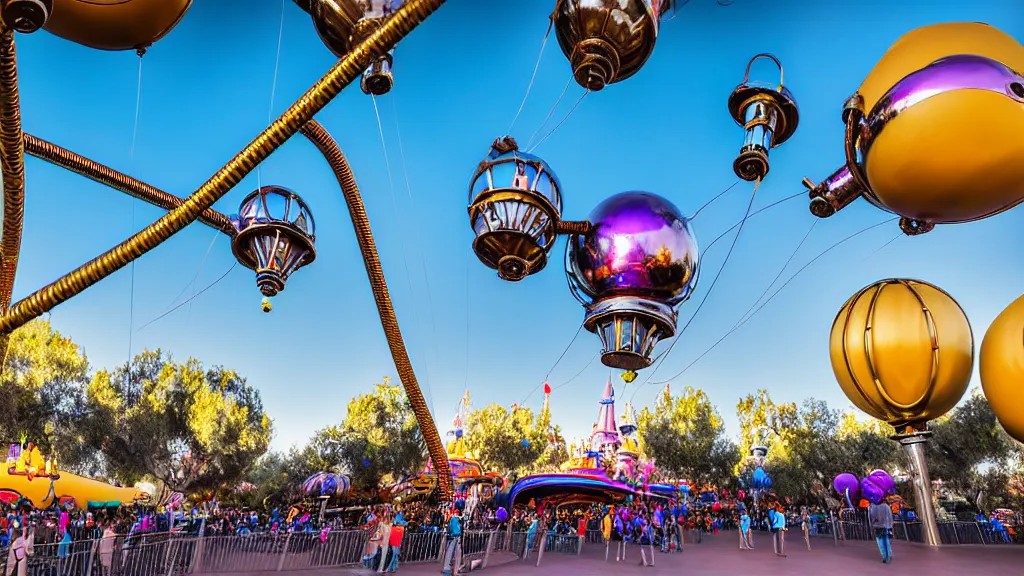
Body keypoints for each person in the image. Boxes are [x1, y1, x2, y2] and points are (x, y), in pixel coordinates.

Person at [442, 505, 462, 575]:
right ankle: (448, 568)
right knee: (452, 552)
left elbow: (452, 527)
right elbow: (453, 527)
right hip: (455, 536)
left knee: (453, 552)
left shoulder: (455, 519)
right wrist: (455, 533)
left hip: (455, 536)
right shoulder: (455, 519)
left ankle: (450, 568)